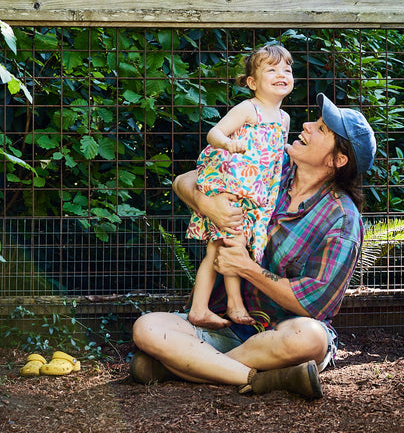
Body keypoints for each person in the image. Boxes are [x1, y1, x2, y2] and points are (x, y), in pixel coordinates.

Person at [129, 93, 376, 400]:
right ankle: (258, 378)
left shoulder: (342, 220)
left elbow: (314, 304)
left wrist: (246, 268)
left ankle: (182, 367)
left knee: (309, 338)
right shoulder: (270, 164)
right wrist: (208, 204)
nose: (307, 125)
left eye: (321, 129)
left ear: (337, 161)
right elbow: (183, 181)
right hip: (225, 327)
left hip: (280, 337)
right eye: (316, 121)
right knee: (147, 327)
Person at [186, 43, 294, 328]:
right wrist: (228, 144)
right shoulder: (249, 109)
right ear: (252, 82)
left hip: (256, 194)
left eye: (287, 68)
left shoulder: (284, 119)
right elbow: (214, 132)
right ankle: (211, 307)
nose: (281, 73)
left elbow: (274, 157)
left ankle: (225, 306)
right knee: (222, 244)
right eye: (271, 69)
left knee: (232, 245)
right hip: (230, 187)